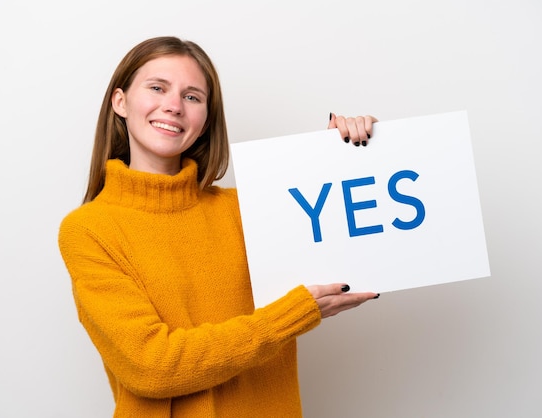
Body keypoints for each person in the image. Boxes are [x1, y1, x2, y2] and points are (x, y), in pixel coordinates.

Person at [58, 36, 380, 418]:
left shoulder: (248, 210)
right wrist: (288, 317)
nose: (174, 105)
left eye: (192, 97)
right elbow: (152, 366)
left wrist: (350, 157)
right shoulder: (89, 230)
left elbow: (349, 241)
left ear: (205, 119)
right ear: (120, 101)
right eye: (158, 87)